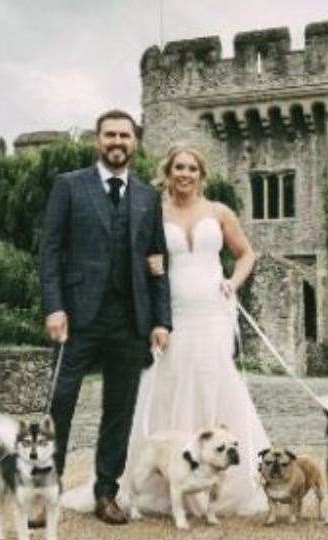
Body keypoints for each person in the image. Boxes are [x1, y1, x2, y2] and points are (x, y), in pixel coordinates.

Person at [64, 144, 270, 517]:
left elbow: (246, 254)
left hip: (212, 310)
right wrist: (150, 270)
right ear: (168, 171)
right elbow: (136, 259)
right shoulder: (153, 212)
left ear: (201, 174)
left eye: (192, 168)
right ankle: (169, 476)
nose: (185, 174)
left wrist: (233, 283)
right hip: (171, 310)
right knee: (169, 384)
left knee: (214, 381)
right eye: (179, 167)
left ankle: (218, 482)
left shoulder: (219, 212)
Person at [39, 109, 172, 525]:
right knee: (60, 401)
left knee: (120, 407)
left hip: (130, 319)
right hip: (77, 317)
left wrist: (161, 319)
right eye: (110, 135)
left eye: (125, 136)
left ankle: (106, 492)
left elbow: (157, 261)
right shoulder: (69, 186)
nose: (118, 142)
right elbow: (50, 251)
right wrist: (54, 306)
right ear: (98, 140)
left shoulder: (149, 197)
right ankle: (45, 490)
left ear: (135, 142)